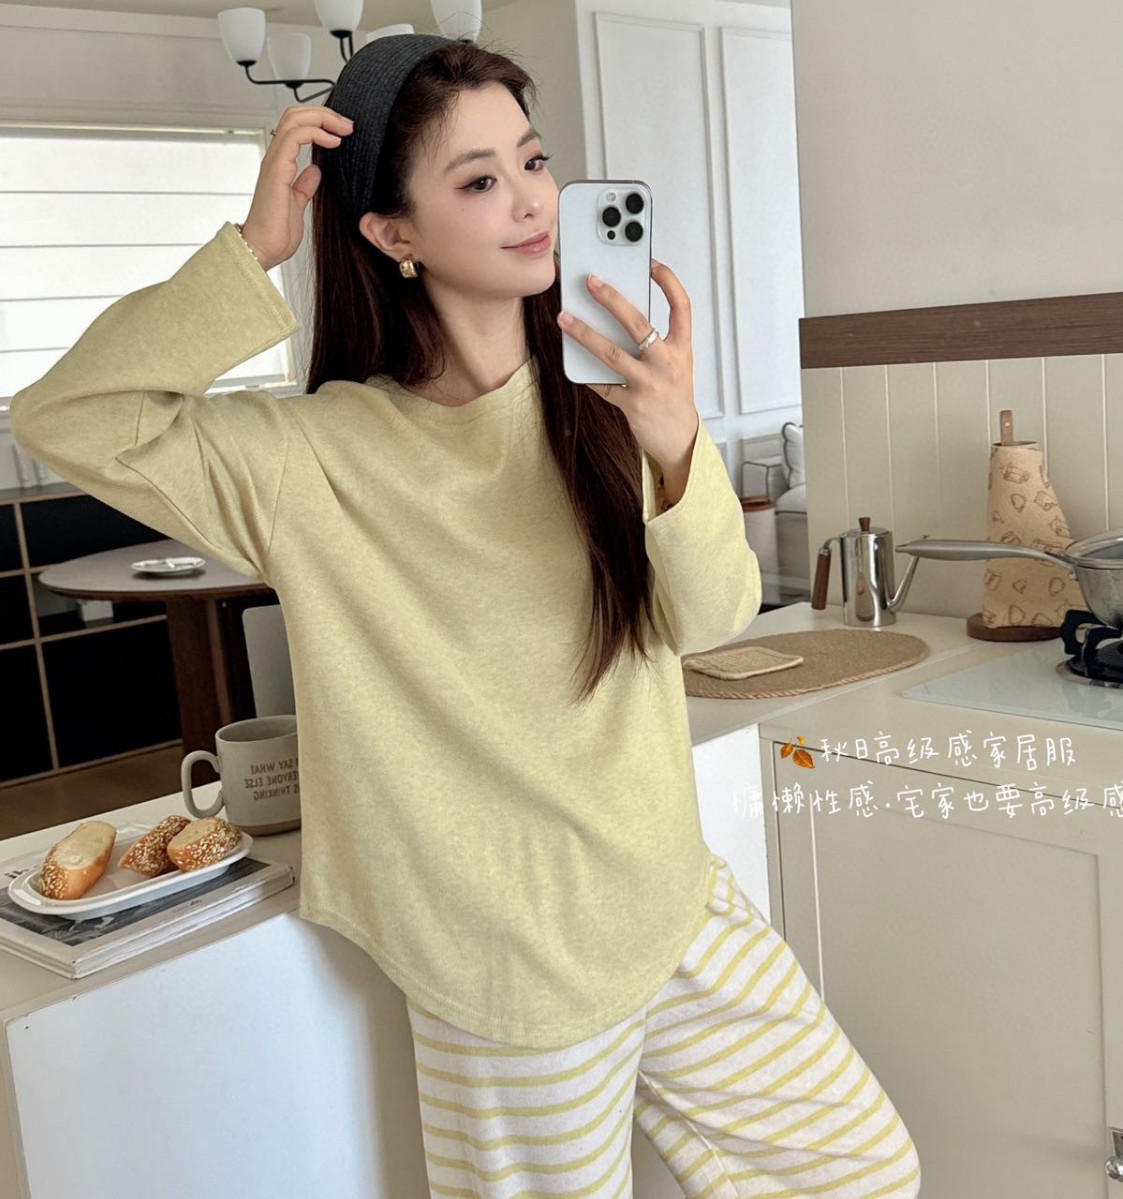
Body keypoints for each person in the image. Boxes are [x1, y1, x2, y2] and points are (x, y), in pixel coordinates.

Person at [9, 32, 921, 1199]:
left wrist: (677, 443)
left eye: (532, 161)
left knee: (861, 1167)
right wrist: (252, 253)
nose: (532, 200)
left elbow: (705, 617)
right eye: (479, 179)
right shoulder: (312, 457)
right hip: (502, 965)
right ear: (392, 235)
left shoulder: (609, 402)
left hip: (671, 904)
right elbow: (67, 417)